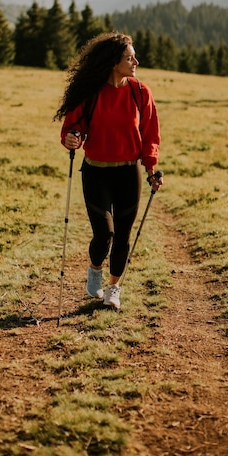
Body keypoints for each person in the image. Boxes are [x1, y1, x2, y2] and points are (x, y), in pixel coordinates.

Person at [54, 31, 162, 309]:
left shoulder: (140, 92)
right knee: (104, 234)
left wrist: (151, 168)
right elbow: (71, 127)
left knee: (123, 235)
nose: (136, 61)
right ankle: (94, 269)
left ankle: (114, 288)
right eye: (129, 57)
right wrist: (71, 138)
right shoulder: (90, 93)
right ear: (114, 62)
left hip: (128, 174)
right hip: (96, 172)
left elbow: (150, 135)